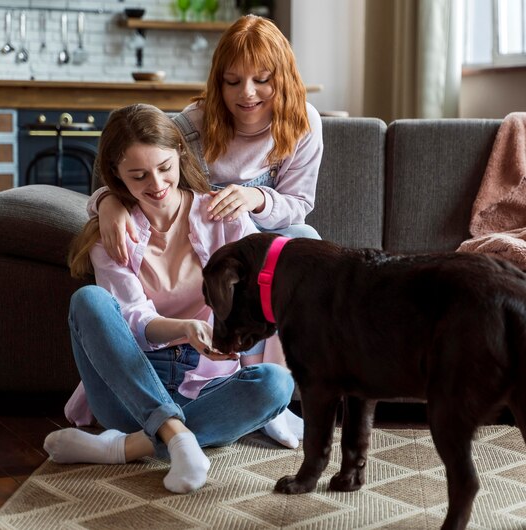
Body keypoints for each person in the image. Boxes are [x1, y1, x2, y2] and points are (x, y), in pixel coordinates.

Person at [43, 104, 303, 495]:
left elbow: (263, 287)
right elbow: (131, 319)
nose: (157, 183)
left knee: (276, 384)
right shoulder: (110, 233)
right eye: (139, 175)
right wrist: (185, 329)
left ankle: (127, 447)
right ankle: (177, 437)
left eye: (165, 167)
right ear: (116, 175)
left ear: (180, 154)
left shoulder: (223, 217)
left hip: (208, 384)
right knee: (89, 301)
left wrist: (230, 336)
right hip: (131, 386)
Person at [93, 14, 323, 266]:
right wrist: (108, 202)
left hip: (268, 235)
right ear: (218, 82)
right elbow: (130, 176)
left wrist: (256, 199)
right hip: (203, 240)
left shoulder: (305, 122)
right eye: (233, 81)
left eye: (262, 80)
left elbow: (299, 205)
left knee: (307, 237)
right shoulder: (192, 125)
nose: (247, 93)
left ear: (283, 79)